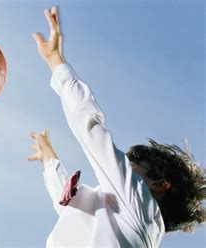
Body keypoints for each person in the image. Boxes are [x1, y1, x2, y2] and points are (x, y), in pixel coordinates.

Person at [28, 6, 205, 247]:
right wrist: (50, 162)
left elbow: (89, 127)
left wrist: (57, 64)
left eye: (132, 165)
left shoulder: (141, 205)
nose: (123, 168)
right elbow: (75, 212)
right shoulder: (130, 221)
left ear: (159, 184)